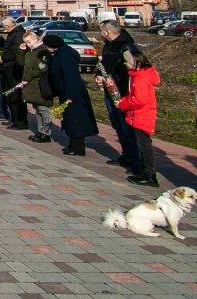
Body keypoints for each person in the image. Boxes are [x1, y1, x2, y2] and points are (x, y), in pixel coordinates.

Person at [109, 48, 161, 187]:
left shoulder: (140, 79)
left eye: (127, 62)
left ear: (136, 63)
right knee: (141, 145)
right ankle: (144, 171)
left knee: (144, 147)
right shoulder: (137, 76)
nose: (125, 65)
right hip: (138, 115)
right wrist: (123, 100)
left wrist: (122, 104)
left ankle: (150, 175)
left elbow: (139, 100)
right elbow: (134, 96)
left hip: (142, 116)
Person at [97, 21, 142, 174]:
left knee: (127, 126)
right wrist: (99, 76)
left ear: (107, 32)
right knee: (117, 123)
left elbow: (133, 70)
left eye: (101, 31)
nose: (100, 34)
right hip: (111, 91)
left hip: (123, 92)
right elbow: (104, 65)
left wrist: (114, 80)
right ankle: (127, 155)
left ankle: (136, 161)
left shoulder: (126, 46)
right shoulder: (108, 45)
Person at [45, 33, 98, 156]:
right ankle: (73, 144)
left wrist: (70, 95)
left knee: (75, 120)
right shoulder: (61, 53)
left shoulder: (65, 56)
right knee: (69, 119)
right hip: (66, 91)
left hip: (72, 93)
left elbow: (70, 77)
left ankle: (78, 147)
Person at [19, 30, 54, 143]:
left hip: (40, 84)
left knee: (43, 108)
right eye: (26, 42)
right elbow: (22, 64)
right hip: (31, 85)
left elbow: (41, 67)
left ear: (35, 39)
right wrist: (21, 51)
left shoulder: (43, 51)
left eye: (29, 42)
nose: (27, 44)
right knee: (37, 108)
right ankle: (40, 130)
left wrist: (27, 78)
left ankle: (46, 132)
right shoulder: (30, 51)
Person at [0, 17, 28, 128]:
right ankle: (14, 119)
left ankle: (20, 121)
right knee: (10, 94)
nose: (4, 29)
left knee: (16, 95)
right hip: (8, 68)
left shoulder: (18, 35)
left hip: (15, 69)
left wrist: (3, 57)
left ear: (9, 25)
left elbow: (16, 53)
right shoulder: (12, 34)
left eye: (4, 27)